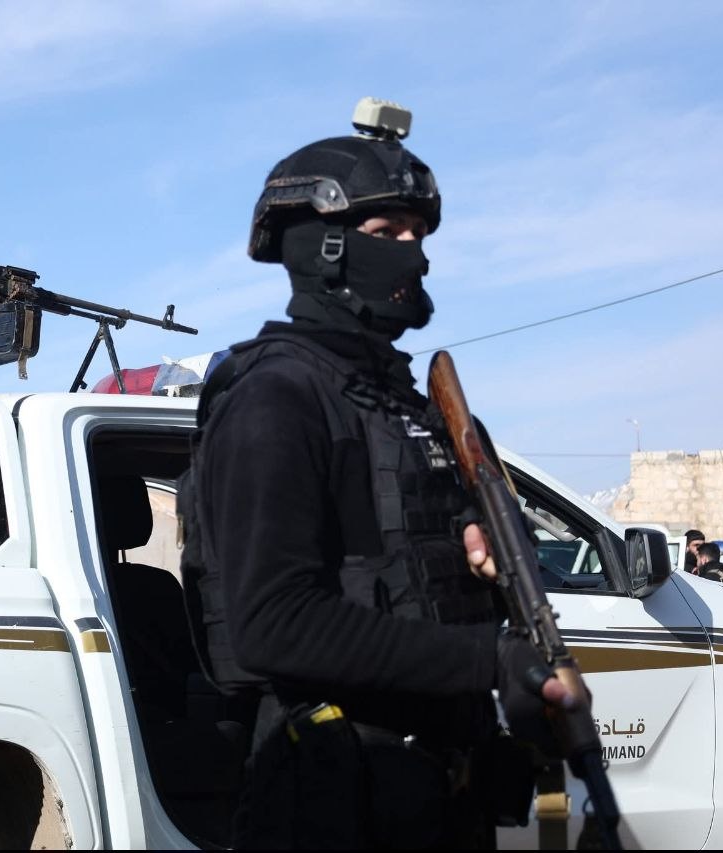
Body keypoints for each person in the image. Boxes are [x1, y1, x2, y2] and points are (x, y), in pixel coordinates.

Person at [190, 99, 572, 848]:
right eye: (388, 232)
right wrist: (488, 661)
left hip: (435, 788)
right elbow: (274, 624)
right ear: (323, 245)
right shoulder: (277, 396)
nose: (414, 255)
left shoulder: (405, 405)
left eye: (420, 234)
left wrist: (482, 550)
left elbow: (406, 565)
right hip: (330, 794)